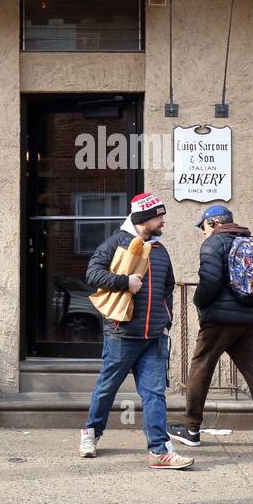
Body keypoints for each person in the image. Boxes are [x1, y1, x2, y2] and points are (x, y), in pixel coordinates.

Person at [79, 192, 194, 470]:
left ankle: (159, 450)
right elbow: (92, 274)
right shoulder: (116, 243)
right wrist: (124, 282)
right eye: (159, 216)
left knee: (155, 394)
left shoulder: (160, 250)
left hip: (153, 338)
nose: (163, 220)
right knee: (107, 388)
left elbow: (168, 288)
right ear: (145, 218)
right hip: (122, 334)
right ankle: (90, 432)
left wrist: (165, 321)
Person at [170, 204, 253, 459]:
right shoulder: (252, 242)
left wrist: (198, 302)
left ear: (213, 223)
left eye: (203, 227)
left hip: (220, 321)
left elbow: (210, 283)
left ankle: (191, 429)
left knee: (201, 367)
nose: (202, 232)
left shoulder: (213, 244)